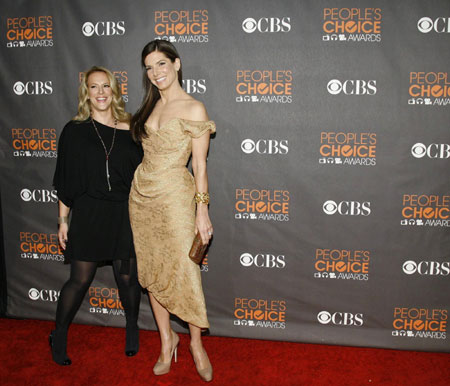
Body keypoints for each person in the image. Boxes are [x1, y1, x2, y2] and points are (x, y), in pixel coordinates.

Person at [129, 40, 215, 382]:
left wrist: (202, 212)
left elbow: (201, 167)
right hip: (142, 198)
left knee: (185, 271)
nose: (156, 73)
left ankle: (196, 343)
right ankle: (167, 341)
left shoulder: (194, 109)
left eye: (162, 64)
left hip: (177, 199)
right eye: (149, 67)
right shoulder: (147, 108)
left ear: (177, 65)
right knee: (152, 271)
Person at [50, 66, 143, 365]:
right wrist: (63, 220)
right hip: (89, 212)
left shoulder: (132, 128)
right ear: (86, 93)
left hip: (124, 213)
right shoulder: (74, 131)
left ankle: (131, 328)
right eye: (94, 87)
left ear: (114, 91)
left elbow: (146, 174)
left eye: (106, 86)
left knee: (128, 278)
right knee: (79, 279)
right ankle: (59, 335)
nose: (101, 92)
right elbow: (65, 181)